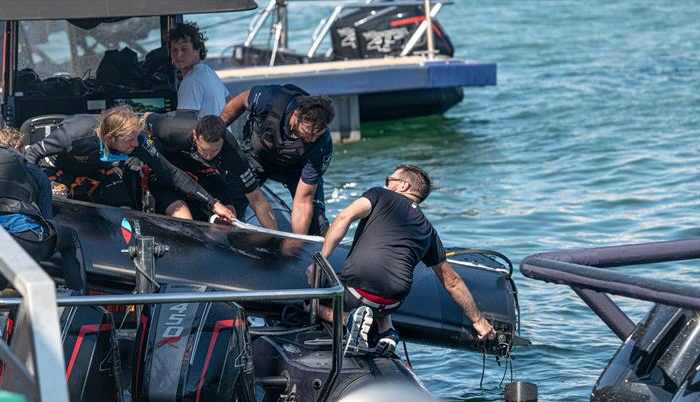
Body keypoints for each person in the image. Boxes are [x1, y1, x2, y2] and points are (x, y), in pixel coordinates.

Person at [310, 164, 495, 355]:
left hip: (356, 291)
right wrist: (479, 321)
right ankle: (388, 333)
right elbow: (452, 282)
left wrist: (320, 261)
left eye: (389, 180)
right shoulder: (429, 231)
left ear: (403, 186)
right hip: (391, 302)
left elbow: (343, 217)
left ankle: (349, 319)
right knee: (382, 287)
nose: (386, 184)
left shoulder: (380, 195)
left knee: (310, 305)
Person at [25, 105, 235, 222]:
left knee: (126, 214)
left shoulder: (137, 141)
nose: (136, 145)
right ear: (110, 139)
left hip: (98, 172)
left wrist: (213, 203)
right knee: (55, 207)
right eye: (130, 140)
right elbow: (33, 154)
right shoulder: (73, 136)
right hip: (58, 170)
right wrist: (32, 193)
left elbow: (171, 173)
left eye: (137, 138)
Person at [0, 127, 88, 294]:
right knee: (69, 238)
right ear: (18, 147)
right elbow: (46, 217)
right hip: (25, 240)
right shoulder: (30, 168)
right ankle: (80, 299)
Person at [221, 84, 335, 236]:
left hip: (296, 170)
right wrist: (218, 128)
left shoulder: (322, 143)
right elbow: (240, 101)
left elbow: (303, 200)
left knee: (317, 224)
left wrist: (297, 240)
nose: (312, 138)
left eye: (318, 133)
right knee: (229, 202)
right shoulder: (270, 98)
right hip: (257, 157)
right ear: (296, 114)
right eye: (308, 131)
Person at [146, 111, 277, 229]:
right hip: (168, 173)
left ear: (224, 139)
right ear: (195, 135)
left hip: (203, 173)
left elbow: (257, 199)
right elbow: (146, 116)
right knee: (184, 218)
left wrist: (276, 238)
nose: (208, 156)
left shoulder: (233, 153)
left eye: (214, 150)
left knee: (229, 217)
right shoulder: (171, 130)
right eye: (204, 149)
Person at [169, 22, 231, 117]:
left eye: (184, 49)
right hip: (222, 131)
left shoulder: (191, 81)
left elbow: (183, 125)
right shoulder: (208, 71)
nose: (178, 55)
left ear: (197, 50)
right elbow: (229, 101)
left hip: (205, 132)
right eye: (175, 50)